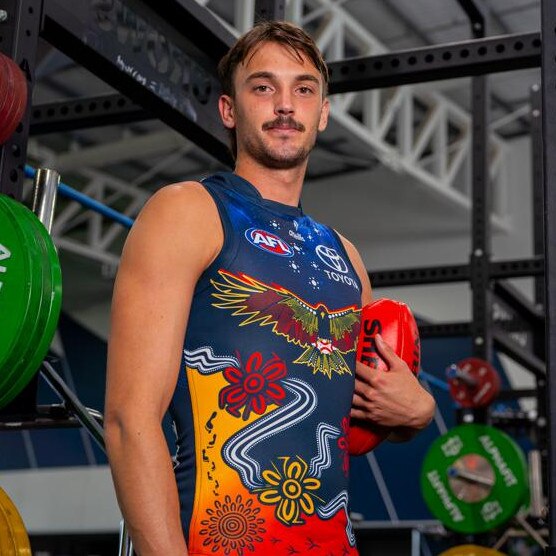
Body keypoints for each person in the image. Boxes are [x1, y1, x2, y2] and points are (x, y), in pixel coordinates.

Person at [105, 20, 435, 556]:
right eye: (263, 87)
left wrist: (417, 413)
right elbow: (128, 420)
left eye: (303, 89)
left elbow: (350, 421)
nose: (285, 104)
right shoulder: (188, 212)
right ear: (229, 110)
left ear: (322, 113)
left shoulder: (345, 257)